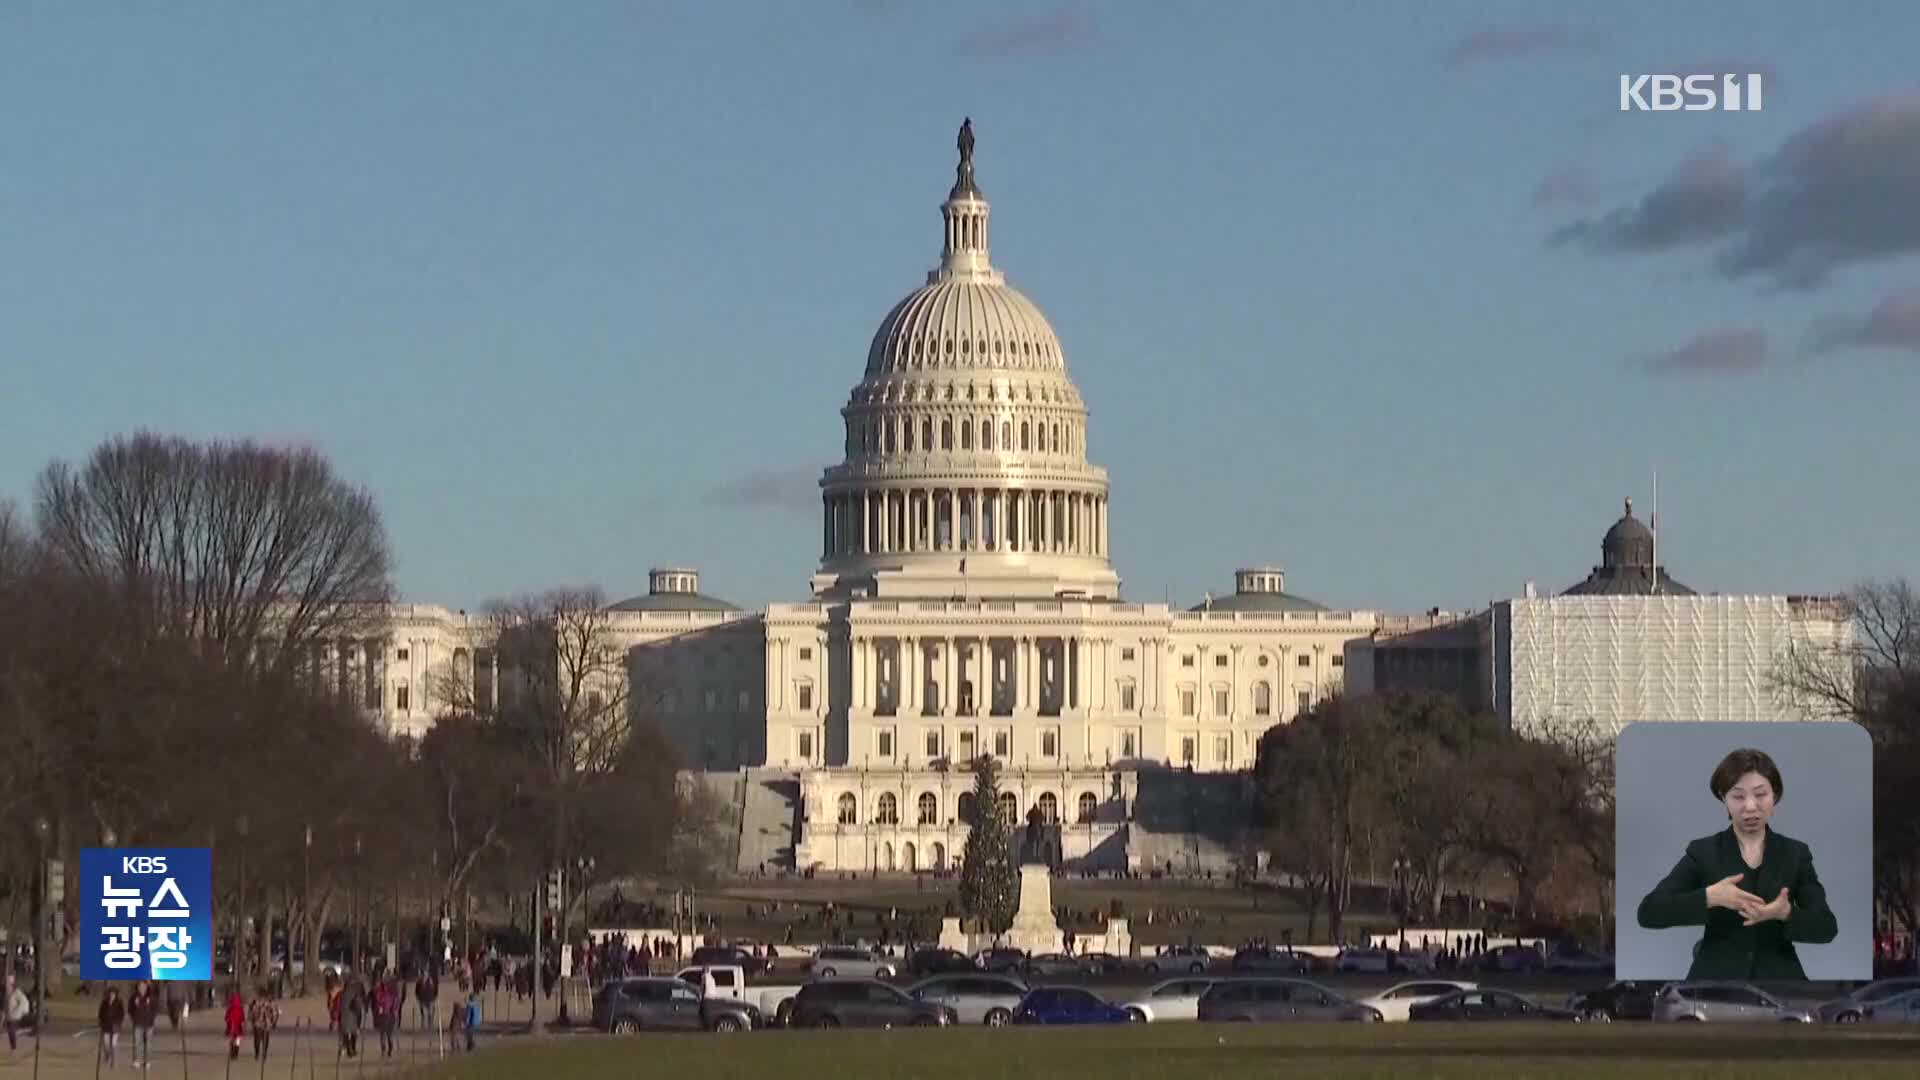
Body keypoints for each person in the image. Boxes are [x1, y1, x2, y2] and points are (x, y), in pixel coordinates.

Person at [1636, 747, 1840, 979]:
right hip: (1714, 988)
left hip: (1781, 988)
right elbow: (1649, 912)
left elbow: (1827, 928)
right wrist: (1711, 897)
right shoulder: (1703, 852)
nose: (1750, 806)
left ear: (1775, 797)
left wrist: (1786, 913)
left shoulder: (1796, 854)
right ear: (1724, 799)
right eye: (1738, 796)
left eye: (1761, 794)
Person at [128, 980, 158, 1069]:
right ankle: (137, 1060)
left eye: (144, 986)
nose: (142, 988)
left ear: (147, 987)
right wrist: (134, 1018)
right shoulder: (134, 997)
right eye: (140, 986)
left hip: (149, 1024)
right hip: (138, 1023)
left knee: (148, 1044)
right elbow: (130, 1009)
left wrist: (152, 1017)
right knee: (137, 1043)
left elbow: (155, 1009)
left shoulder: (151, 997)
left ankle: (147, 1061)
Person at [98, 986, 126, 1068]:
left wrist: (118, 1022)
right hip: (106, 1026)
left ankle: (113, 1061)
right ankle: (107, 1055)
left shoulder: (119, 1002)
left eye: (113, 994)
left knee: (113, 1044)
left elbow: (122, 1014)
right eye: (111, 993)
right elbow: (101, 1013)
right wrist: (101, 1021)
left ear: (116, 994)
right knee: (106, 1043)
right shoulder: (104, 1002)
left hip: (115, 1026)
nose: (112, 995)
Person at [249, 988, 279, 1061]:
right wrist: (274, 1022)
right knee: (265, 1040)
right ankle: (263, 1054)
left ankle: (257, 1054)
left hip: (258, 1024)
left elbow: (251, 1014)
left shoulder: (255, 1003)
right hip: (266, 1024)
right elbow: (275, 1013)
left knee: (257, 1040)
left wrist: (252, 1021)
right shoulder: (269, 1003)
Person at [4, 974, 29, 1052]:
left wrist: (18, 1011)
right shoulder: (5, 993)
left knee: (11, 1031)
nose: (6, 985)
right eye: (6, 983)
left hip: (14, 1016)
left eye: (8, 983)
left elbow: (24, 1002)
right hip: (8, 1015)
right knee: (9, 1032)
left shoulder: (17, 992)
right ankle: (13, 1048)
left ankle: (13, 1049)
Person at [223, 987, 246, 1061]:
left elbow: (226, 1018)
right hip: (238, 1027)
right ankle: (235, 1054)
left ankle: (232, 1053)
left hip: (231, 1027)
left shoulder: (230, 1008)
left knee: (232, 1040)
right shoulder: (240, 1008)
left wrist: (229, 1022)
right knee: (237, 1040)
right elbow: (242, 1018)